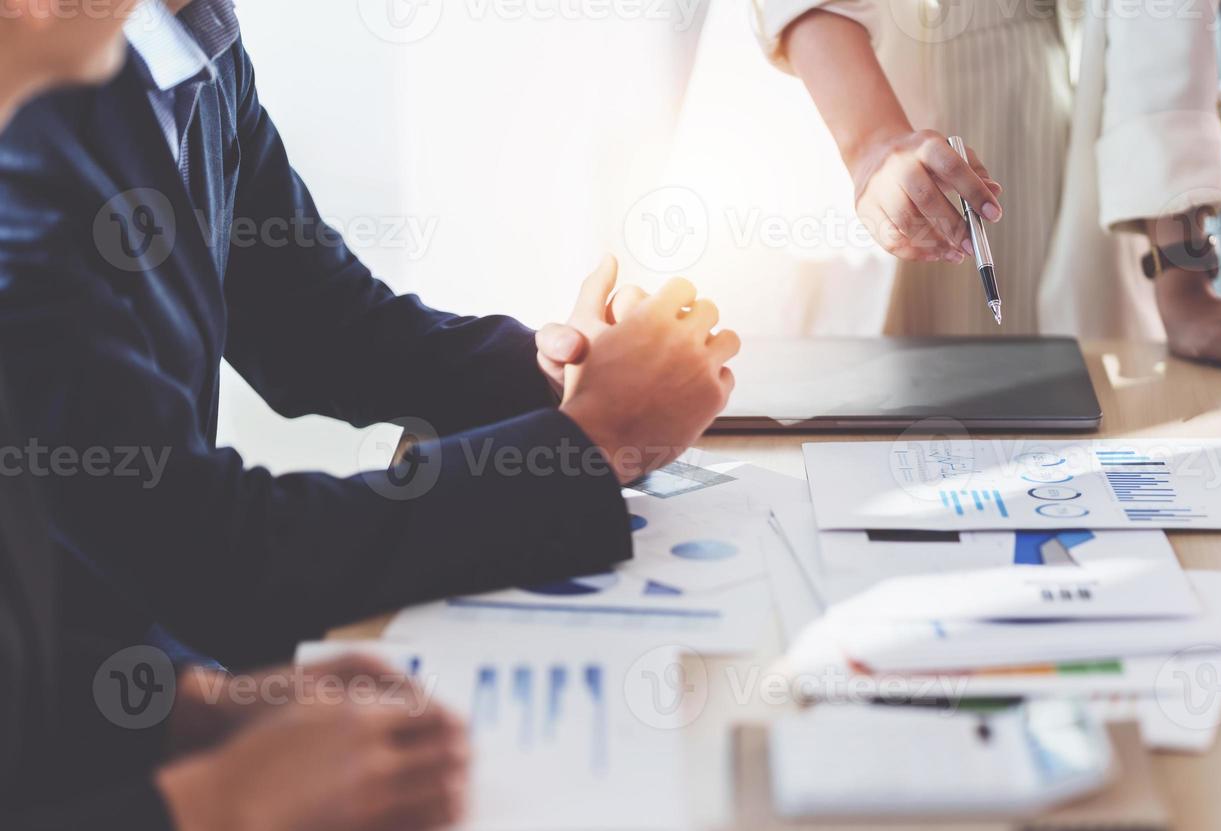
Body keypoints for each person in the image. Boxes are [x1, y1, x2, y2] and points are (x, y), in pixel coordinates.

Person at [0, 0, 740, 676]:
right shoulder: (33, 124)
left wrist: (555, 376)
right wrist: (593, 439)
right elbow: (214, 558)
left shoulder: (197, 40)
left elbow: (317, 324)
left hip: (158, 665)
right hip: (77, 700)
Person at [0, 4, 470, 831]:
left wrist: (192, 707)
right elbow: (209, 541)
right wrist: (220, 801)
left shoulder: (162, 62)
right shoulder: (34, 178)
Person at [751, 0, 1221, 412]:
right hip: (842, 81)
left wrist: (1182, 279)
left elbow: (1159, 21)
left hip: (1038, 107)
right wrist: (872, 141)